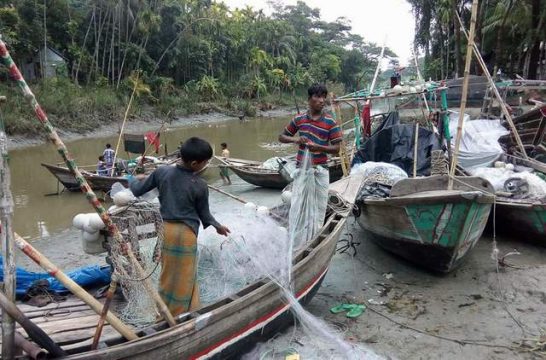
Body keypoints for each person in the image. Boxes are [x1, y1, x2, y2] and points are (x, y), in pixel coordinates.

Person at [130, 137, 230, 316]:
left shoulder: (162, 172)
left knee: (167, 275)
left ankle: (164, 313)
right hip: (186, 234)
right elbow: (204, 214)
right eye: (205, 162)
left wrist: (133, 178)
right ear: (194, 163)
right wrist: (218, 226)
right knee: (186, 276)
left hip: (166, 231)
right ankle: (182, 315)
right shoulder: (199, 185)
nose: (206, 165)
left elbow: (137, 190)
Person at [278, 83, 342, 243]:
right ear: (309, 99)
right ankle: (296, 237)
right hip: (302, 170)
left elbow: (336, 149)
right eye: (317, 97)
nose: (321, 100)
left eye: (323, 97)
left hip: (321, 171)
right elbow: (281, 137)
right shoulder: (299, 119)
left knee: (319, 206)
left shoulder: (330, 122)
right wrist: (296, 139)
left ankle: (314, 238)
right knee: (298, 204)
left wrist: (318, 147)